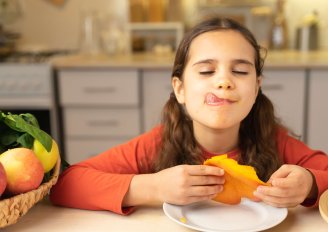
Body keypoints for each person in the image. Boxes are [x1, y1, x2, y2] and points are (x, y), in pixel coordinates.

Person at [50, 17, 328, 215]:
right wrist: (154, 187)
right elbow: (66, 184)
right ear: (179, 89)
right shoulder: (157, 144)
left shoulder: (275, 141)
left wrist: (310, 184)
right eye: (207, 71)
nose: (224, 81)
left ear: (256, 87)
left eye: (240, 71)